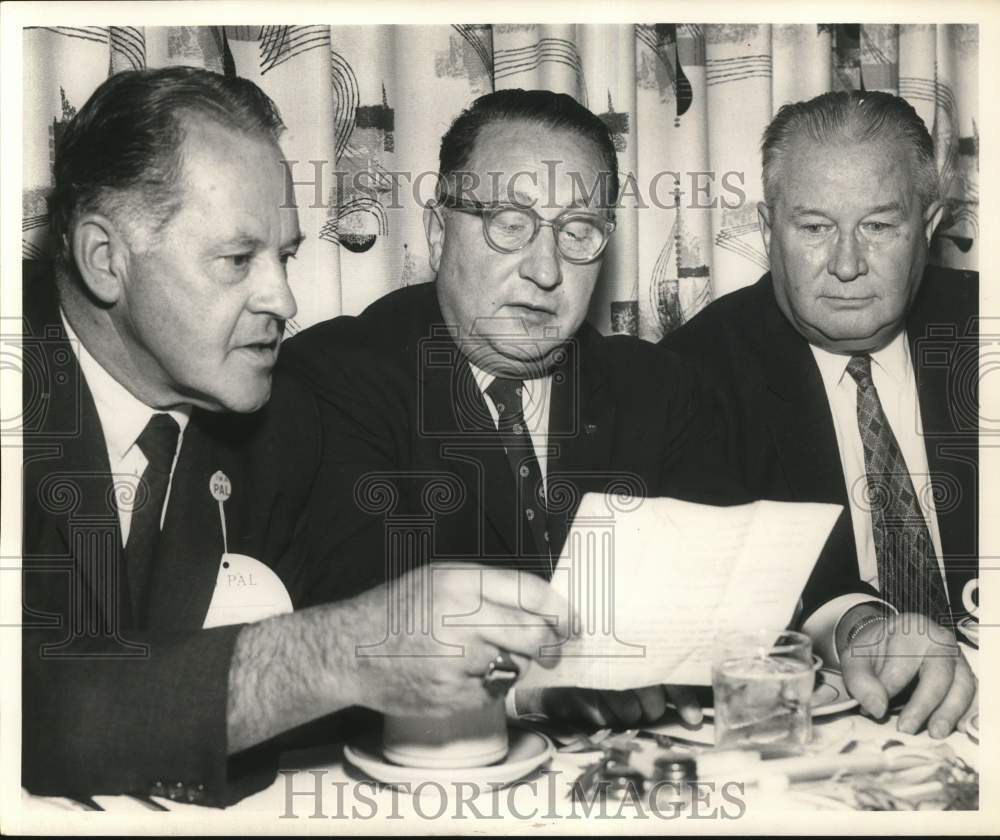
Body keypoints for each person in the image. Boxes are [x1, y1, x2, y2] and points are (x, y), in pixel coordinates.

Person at [21, 67, 566, 807]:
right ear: (103, 259)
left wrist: (544, 666)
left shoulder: (285, 421)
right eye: (238, 260)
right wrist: (325, 658)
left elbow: (368, 623)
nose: (283, 299)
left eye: (285, 257)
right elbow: (26, 706)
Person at [280, 88, 763, 728]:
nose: (545, 269)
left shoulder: (661, 389)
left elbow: (728, 598)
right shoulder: (337, 376)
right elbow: (362, 633)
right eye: (510, 223)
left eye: (578, 231)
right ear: (435, 229)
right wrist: (530, 690)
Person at [663, 90, 977, 737]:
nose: (845, 264)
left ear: (929, 223)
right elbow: (732, 598)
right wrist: (861, 624)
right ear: (767, 226)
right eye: (814, 227)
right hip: (833, 728)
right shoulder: (695, 373)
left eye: (879, 226)